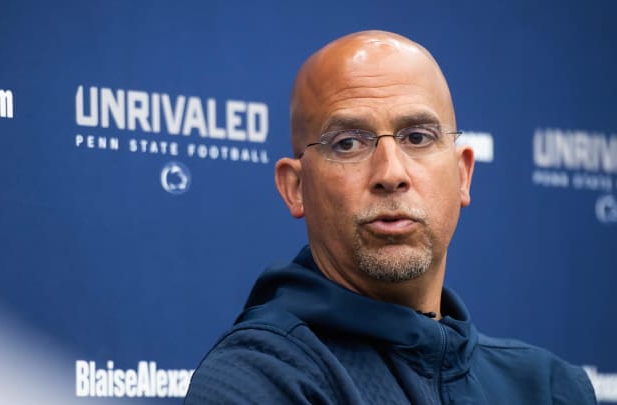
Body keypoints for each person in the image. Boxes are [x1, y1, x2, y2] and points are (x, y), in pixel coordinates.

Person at [184, 30, 596, 404]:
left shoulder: (548, 387)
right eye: (347, 143)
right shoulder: (254, 383)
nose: (391, 174)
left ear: (462, 174)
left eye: (417, 137)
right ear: (296, 187)